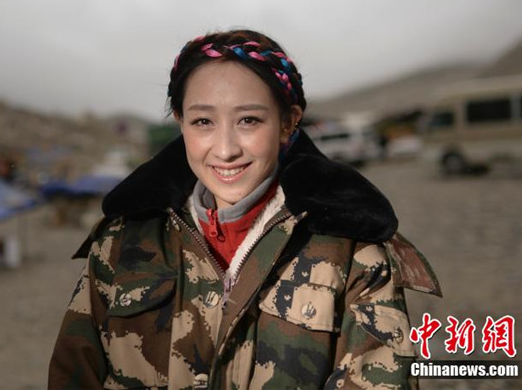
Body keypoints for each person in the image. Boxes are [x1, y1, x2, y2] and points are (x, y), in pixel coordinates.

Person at [49, 30, 441, 389]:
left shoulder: (356, 253)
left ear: (289, 123)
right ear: (181, 123)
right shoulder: (120, 244)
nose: (225, 149)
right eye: (203, 121)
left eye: (249, 120)